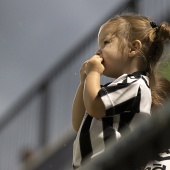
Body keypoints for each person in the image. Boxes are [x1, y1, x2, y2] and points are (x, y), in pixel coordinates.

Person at [72, 13, 170, 169]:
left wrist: (93, 73)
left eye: (106, 42)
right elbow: (78, 124)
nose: (98, 52)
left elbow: (94, 107)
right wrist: (84, 81)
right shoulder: (115, 88)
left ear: (133, 48)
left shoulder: (136, 85)